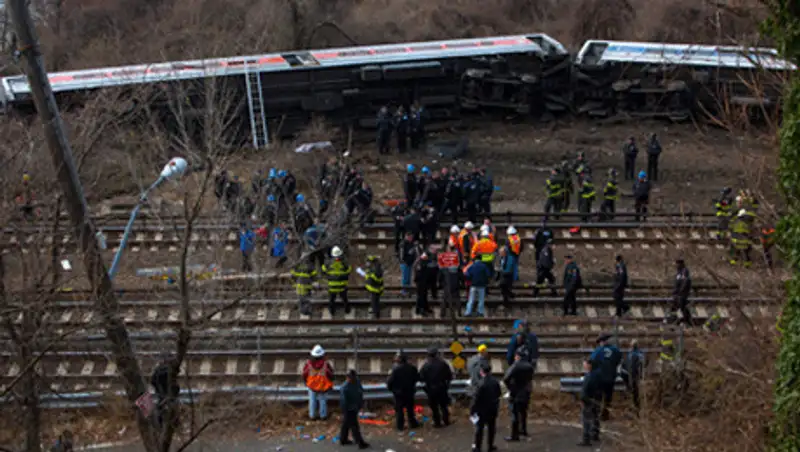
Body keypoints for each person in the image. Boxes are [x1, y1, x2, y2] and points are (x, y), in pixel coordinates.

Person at [503, 349, 534, 441]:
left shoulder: (515, 366)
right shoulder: (529, 366)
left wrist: (511, 387)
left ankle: (514, 435)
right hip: (526, 392)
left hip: (516, 392)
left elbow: (506, 378)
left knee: (514, 414)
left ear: (517, 356)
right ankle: (523, 430)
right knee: (524, 412)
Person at [590, 333, 622, 421]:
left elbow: (592, 362)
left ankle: (596, 414)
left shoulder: (598, 351)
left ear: (602, 342)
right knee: (608, 397)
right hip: (611, 377)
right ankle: (605, 414)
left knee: (598, 396)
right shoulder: (615, 350)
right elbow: (619, 360)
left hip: (600, 378)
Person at [419, 346, 453, 428]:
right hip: (442, 388)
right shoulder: (443, 364)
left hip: (431, 389)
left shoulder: (426, 365)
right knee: (443, 406)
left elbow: (421, 378)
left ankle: (437, 422)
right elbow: (449, 376)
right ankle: (446, 421)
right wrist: (446, 384)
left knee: (434, 407)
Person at [387, 351, 420, 431]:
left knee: (399, 410)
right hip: (409, 392)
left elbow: (390, 382)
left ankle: (400, 426)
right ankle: (413, 423)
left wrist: (392, 390)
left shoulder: (395, 370)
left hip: (399, 393)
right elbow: (416, 378)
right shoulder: (412, 368)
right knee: (410, 409)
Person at [471, 364, 501, 452]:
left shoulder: (480, 383)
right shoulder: (495, 381)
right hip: (492, 408)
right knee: (492, 428)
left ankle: (477, 447)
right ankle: (490, 445)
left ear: (481, 372)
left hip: (482, 410)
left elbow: (476, 399)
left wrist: (472, 410)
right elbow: (499, 393)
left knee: (479, 429)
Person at [339, 369, 370, 449]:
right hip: (349, 408)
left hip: (354, 406)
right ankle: (360, 442)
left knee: (346, 424)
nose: (350, 379)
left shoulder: (357, 383)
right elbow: (343, 401)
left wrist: (361, 405)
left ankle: (343, 439)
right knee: (354, 426)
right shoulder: (345, 387)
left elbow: (360, 394)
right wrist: (345, 409)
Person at [303, 345, 334, 420]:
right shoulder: (326, 364)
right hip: (322, 386)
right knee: (322, 401)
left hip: (312, 385)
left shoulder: (309, 364)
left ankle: (312, 416)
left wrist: (306, 381)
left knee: (312, 401)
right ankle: (323, 416)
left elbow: (304, 374)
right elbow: (330, 374)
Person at [578, 360, 602, 447]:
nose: (584, 366)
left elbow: (584, 390)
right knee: (595, 417)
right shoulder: (598, 375)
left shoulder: (588, 376)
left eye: (585, 365)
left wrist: (582, 399)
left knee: (586, 420)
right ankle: (595, 434)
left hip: (588, 399)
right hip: (596, 398)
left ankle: (586, 439)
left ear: (589, 365)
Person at [323, 246, 352, 315]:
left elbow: (324, 269)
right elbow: (349, 270)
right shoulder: (343, 262)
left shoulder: (329, 262)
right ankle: (347, 310)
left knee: (332, 300)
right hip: (342, 285)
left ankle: (332, 311)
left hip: (332, 285)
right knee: (344, 299)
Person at [619, 340, 644, 412]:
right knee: (636, 393)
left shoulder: (632, 355)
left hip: (632, 376)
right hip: (638, 376)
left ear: (632, 346)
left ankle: (636, 408)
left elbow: (630, 367)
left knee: (634, 393)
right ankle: (637, 407)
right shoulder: (640, 354)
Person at [671, 258, 692, 324]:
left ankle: (683, 320)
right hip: (677, 294)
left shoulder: (684, 271)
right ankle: (684, 320)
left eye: (677, 264)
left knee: (680, 308)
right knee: (679, 308)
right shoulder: (679, 272)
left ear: (680, 264)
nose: (676, 265)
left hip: (681, 294)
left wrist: (680, 291)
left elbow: (685, 282)